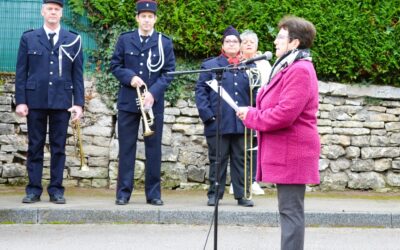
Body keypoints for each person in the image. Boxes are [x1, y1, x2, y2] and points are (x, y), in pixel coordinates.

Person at [237, 16, 320, 250]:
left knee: (291, 212)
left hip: (294, 152)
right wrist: (253, 111)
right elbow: (275, 105)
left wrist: (252, 116)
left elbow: (285, 114)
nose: (275, 41)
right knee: (288, 211)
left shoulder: (300, 70)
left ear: (294, 43)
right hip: (288, 151)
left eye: (281, 37)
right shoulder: (289, 66)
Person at [15, 0, 84, 204]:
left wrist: (78, 103)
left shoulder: (73, 39)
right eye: (50, 9)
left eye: (57, 10)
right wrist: (21, 101)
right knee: (35, 146)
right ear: (42, 12)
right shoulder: (29, 37)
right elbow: (21, 72)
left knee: (58, 147)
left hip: (62, 101)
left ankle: (56, 190)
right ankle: (33, 190)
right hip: (35, 100)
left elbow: (78, 74)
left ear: (61, 14)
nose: (53, 13)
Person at [110, 0, 175, 206]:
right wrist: (130, 78)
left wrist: (153, 93)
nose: (147, 20)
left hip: (152, 104)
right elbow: (115, 65)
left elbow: (169, 72)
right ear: (137, 18)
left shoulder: (164, 42)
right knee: (126, 147)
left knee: (154, 149)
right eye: (143, 16)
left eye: (150, 16)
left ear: (155, 19)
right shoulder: (125, 39)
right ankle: (123, 193)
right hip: (128, 102)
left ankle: (154, 194)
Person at [195, 25, 254, 207]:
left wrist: (255, 115)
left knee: (241, 160)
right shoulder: (210, 66)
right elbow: (201, 92)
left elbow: (257, 93)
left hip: (242, 123)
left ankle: (242, 195)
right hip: (218, 122)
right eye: (227, 41)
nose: (231, 44)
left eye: (235, 41)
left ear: (240, 45)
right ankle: (214, 195)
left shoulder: (249, 67)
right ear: (222, 44)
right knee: (217, 160)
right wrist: (208, 116)